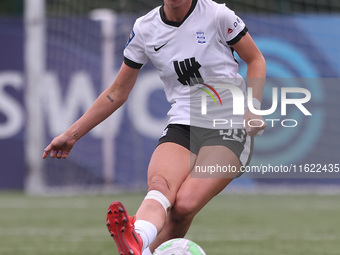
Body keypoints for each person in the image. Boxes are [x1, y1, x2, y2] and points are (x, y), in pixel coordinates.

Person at [42, 0, 266, 254]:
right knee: (160, 187)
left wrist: (253, 108)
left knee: (183, 206)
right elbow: (117, 92)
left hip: (230, 125)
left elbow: (255, 58)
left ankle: (139, 241)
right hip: (183, 123)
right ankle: (136, 239)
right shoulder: (145, 28)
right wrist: (72, 135)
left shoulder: (218, 15)